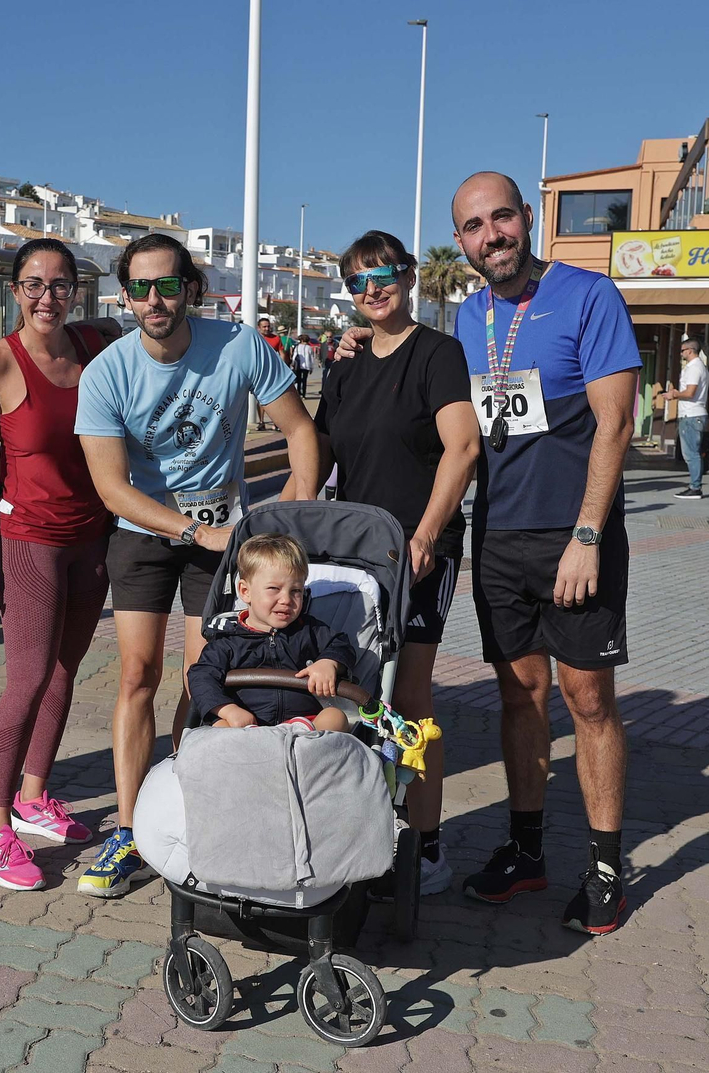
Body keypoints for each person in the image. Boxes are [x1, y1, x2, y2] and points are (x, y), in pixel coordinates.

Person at [74, 232, 320, 897]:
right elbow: (111, 486)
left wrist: (287, 518)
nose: (156, 299)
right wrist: (192, 530)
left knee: (201, 676)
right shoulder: (107, 372)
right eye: (142, 288)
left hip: (225, 535)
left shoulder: (238, 346)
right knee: (135, 674)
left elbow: (301, 431)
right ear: (125, 297)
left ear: (192, 290)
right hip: (145, 533)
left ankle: (183, 805)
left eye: (169, 285)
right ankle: (127, 829)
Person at [449, 172, 641, 934]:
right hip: (497, 539)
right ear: (461, 242)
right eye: (473, 226)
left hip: (574, 539)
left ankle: (604, 868)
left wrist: (587, 536)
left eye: (502, 217)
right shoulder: (466, 315)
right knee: (519, 697)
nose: (491, 235)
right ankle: (526, 851)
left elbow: (616, 424)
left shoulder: (588, 297)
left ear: (526, 219)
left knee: (587, 700)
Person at [314, 229, 481, 895]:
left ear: (409, 276)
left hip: (418, 551)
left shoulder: (438, 354)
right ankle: (356, 829)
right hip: (354, 553)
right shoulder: (346, 363)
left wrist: (428, 531)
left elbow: (462, 448)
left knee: (408, 696)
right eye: (356, 282)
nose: (371, 289)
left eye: (382, 274)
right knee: (350, 694)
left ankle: (427, 842)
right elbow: (319, 453)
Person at [0, 238, 117, 892]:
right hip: (28, 540)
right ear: (15, 291)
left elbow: (166, 333)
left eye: (59, 284)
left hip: (91, 537)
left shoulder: (95, 347)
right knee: (26, 679)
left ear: (75, 289)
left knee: (66, 669)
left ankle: (34, 794)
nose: (47, 297)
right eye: (34, 284)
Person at [186, 534, 353, 732]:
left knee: (335, 717)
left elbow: (341, 644)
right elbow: (201, 676)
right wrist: (228, 710)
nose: (286, 599)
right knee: (220, 726)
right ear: (245, 591)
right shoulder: (227, 641)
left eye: (296, 591)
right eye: (274, 588)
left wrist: (328, 662)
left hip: (303, 728)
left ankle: (301, 755)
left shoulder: (309, 631)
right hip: (247, 727)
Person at [655, 338, 709, 499]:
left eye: (682, 350)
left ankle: (695, 487)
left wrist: (674, 394)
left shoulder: (694, 368)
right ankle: (694, 485)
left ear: (690, 350)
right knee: (692, 453)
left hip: (691, 415)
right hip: (693, 414)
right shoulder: (699, 367)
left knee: (691, 453)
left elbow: (690, 392)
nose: (681, 353)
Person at [253, 315, 282, 431]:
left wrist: (285, 367)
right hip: (257, 373)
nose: (266, 328)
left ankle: (276, 422)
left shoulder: (276, 339)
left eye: (268, 326)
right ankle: (261, 422)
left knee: (274, 399)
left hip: (273, 373)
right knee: (260, 400)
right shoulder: (255, 338)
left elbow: (282, 353)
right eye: (264, 326)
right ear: (259, 328)